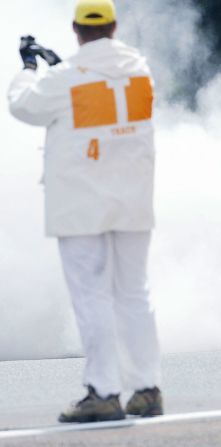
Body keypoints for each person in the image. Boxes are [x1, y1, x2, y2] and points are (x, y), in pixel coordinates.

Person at [8, 0, 162, 422]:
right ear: (114, 27)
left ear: (76, 29)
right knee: (134, 294)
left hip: (82, 202)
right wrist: (62, 68)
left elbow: (23, 106)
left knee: (92, 297)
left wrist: (30, 67)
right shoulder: (139, 68)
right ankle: (147, 388)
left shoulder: (64, 77)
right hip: (132, 197)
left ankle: (103, 392)